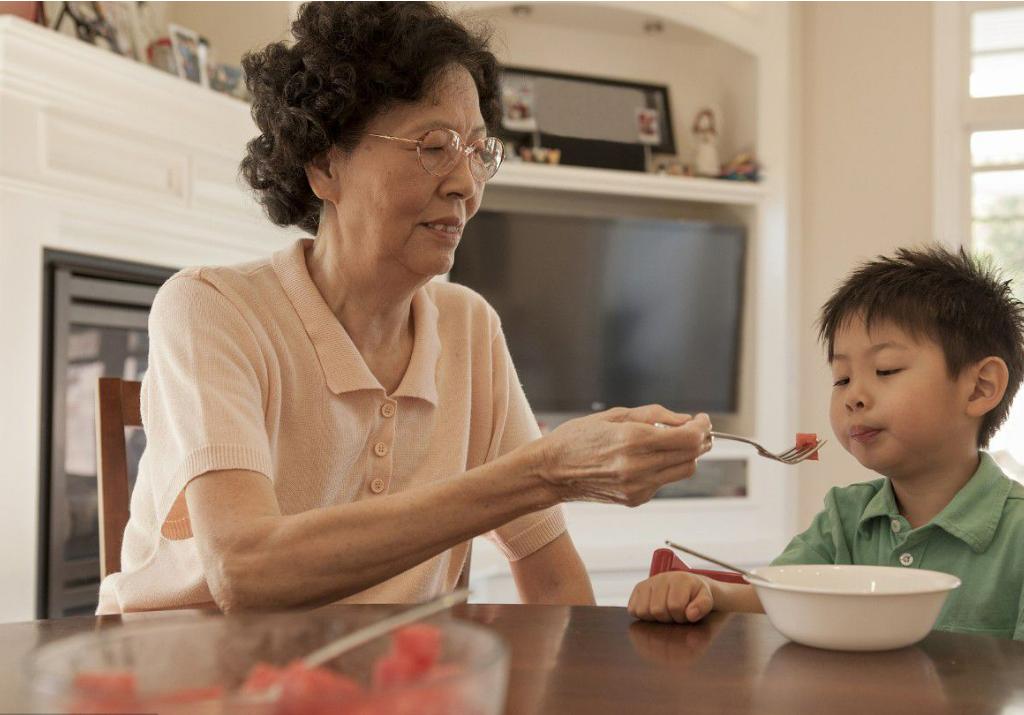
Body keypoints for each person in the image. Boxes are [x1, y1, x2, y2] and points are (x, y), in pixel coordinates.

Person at [97, 2, 712, 614]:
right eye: (434, 146)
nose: (466, 185)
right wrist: (541, 472)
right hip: (185, 683)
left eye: (477, 151)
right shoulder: (212, 308)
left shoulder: (469, 328)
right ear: (323, 163)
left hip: (388, 684)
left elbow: (552, 583)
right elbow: (245, 571)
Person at [629, 245, 1024, 653]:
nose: (853, 395)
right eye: (841, 377)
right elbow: (781, 597)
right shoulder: (844, 518)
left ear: (979, 388)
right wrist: (707, 591)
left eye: (885, 370)